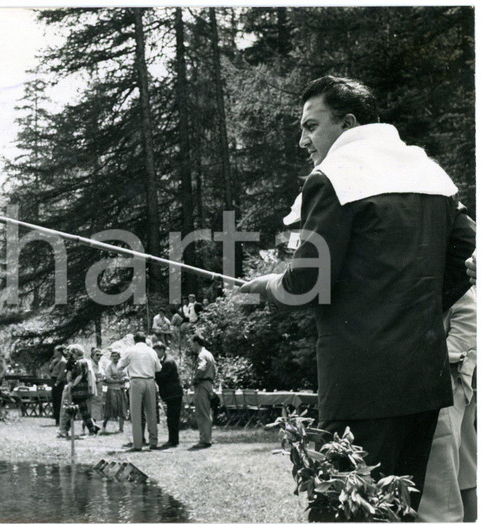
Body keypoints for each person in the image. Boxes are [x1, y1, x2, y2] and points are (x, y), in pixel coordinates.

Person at [239, 76, 475, 509]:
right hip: (424, 382)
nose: (301, 140)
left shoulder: (332, 176)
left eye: (311, 126)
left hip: (362, 386)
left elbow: (304, 285)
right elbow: (465, 254)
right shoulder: (428, 170)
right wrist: (413, 306)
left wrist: (268, 285)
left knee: (346, 508)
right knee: (397, 508)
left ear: (348, 123)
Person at [418, 287, 477, 522]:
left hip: (450, 385)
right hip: (450, 383)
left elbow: (468, 331)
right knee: (460, 470)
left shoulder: (461, 290)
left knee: (448, 472)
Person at [117, 332, 161, 451]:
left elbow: (119, 366)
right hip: (150, 381)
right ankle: (153, 442)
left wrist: (129, 367)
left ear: (134, 340)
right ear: (145, 339)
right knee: (151, 412)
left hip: (136, 381)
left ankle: (137, 444)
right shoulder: (151, 351)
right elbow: (158, 368)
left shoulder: (130, 350)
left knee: (136, 414)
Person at [58, 345, 100, 437]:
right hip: (84, 388)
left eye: (72, 353)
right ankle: (92, 427)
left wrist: (72, 385)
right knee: (80, 409)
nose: (71, 355)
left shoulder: (79, 363)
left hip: (78, 389)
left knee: (74, 409)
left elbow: (79, 376)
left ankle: (90, 429)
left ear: (75, 353)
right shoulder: (86, 361)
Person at [153, 342, 184, 448]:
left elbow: (162, 377)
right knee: (171, 417)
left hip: (173, 394)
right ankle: (173, 439)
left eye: (156, 351)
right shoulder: (166, 360)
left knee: (173, 417)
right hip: (172, 394)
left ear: (162, 350)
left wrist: (152, 373)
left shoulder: (168, 362)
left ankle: (173, 440)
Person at [189, 335, 216, 449]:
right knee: (207, 412)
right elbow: (215, 370)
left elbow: (201, 368)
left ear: (196, 343)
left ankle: (204, 440)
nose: (191, 346)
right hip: (209, 383)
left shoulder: (201, 355)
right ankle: (207, 437)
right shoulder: (209, 354)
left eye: (192, 344)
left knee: (202, 412)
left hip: (202, 384)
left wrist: (195, 379)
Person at [103, 350, 128, 433]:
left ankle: (121, 428)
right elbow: (108, 378)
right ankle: (104, 425)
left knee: (122, 408)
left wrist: (124, 379)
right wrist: (117, 381)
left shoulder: (122, 365)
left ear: (119, 357)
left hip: (121, 389)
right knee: (111, 408)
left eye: (116, 356)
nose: (114, 358)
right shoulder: (109, 366)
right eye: (113, 356)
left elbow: (127, 376)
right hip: (112, 389)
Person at [49, 345, 68, 426]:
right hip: (54, 379)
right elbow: (50, 369)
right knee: (55, 400)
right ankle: (56, 417)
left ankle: (59, 419)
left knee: (58, 400)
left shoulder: (63, 361)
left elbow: (61, 373)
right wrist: (52, 363)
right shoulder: (55, 361)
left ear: (60, 352)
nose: (54, 353)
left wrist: (57, 382)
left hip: (58, 382)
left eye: (55, 351)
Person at [88, 348, 105, 423]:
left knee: (97, 406)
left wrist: (102, 377)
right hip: (92, 388)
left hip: (99, 388)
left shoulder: (100, 364)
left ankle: (94, 424)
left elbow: (103, 375)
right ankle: (90, 424)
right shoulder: (89, 365)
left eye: (100, 355)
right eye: (97, 355)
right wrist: (96, 377)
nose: (99, 357)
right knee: (91, 406)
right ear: (92, 355)